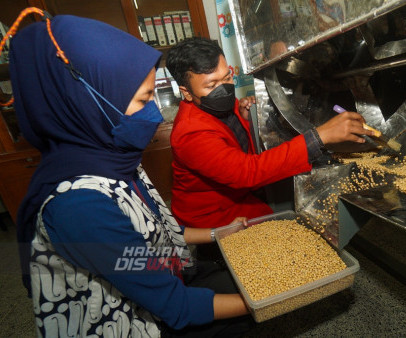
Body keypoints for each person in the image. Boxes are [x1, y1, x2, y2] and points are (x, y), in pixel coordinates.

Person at [9, 13, 252, 337]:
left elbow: (157, 227)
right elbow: (175, 306)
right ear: (87, 104)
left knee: (239, 274)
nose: (154, 113)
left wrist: (217, 233)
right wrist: (264, 299)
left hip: (163, 277)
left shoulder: (113, 155)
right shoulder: (80, 207)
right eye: (142, 100)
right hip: (133, 324)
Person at [166, 37, 373, 229]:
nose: (225, 89)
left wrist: (247, 120)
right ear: (186, 92)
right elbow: (247, 172)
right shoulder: (189, 133)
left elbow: (231, 139)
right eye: (212, 85)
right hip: (213, 216)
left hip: (239, 196)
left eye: (227, 77)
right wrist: (319, 137)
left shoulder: (217, 104)